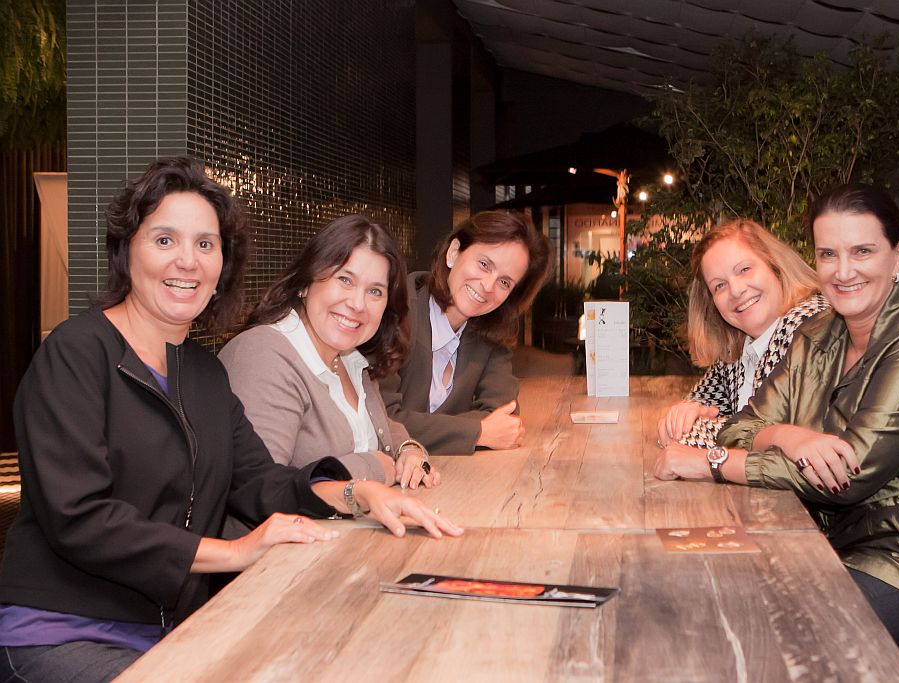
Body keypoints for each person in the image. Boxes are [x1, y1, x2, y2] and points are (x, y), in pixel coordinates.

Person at [0, 157, 462, 682]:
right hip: (63, 631)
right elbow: (79, 517)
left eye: (205, 244)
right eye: (165, 240)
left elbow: (260, 481)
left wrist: (359, 494)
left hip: (172, 627)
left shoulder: (202, 373)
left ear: (223, 264)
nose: (188, 262)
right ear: (127, 249)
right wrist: (238, 550)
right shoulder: (76, 352)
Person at [653, 183, 899, 665]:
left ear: (897, 254)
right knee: (707, 591)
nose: (843, 272)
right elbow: (739, 426)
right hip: (853, 553)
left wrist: (713, 464)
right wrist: (787, 434)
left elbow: (845, 476)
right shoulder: (820, 333)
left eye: (862, 251)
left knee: (752, 626)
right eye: (828, 254)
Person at [220, 215, 440, 506]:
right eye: (345, 280)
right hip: (280, 551)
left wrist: (410, 450)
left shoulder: (350, 360)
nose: (358, 304)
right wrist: (373, 469)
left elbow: (382, 429)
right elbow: (261, 493)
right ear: (305, 283)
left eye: (375, 291)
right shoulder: (264, 354)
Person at [381, 210, 550, 454]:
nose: (488, 286)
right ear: (453, 253)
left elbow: (503, 416)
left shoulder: (491, 335)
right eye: (484, 264)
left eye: (505, 282)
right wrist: (479, 432)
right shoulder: (395, 312)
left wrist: (461, 430)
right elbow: (383, 422)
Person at [656, 218, 829, 449]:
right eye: (719, 285)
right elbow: (703, 400)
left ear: (775, 266)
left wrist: (689, 431)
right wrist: (688, 410)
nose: (736, 291)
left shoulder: (808, 325)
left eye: (744, 270)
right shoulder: (738, 344)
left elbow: (764, 436)